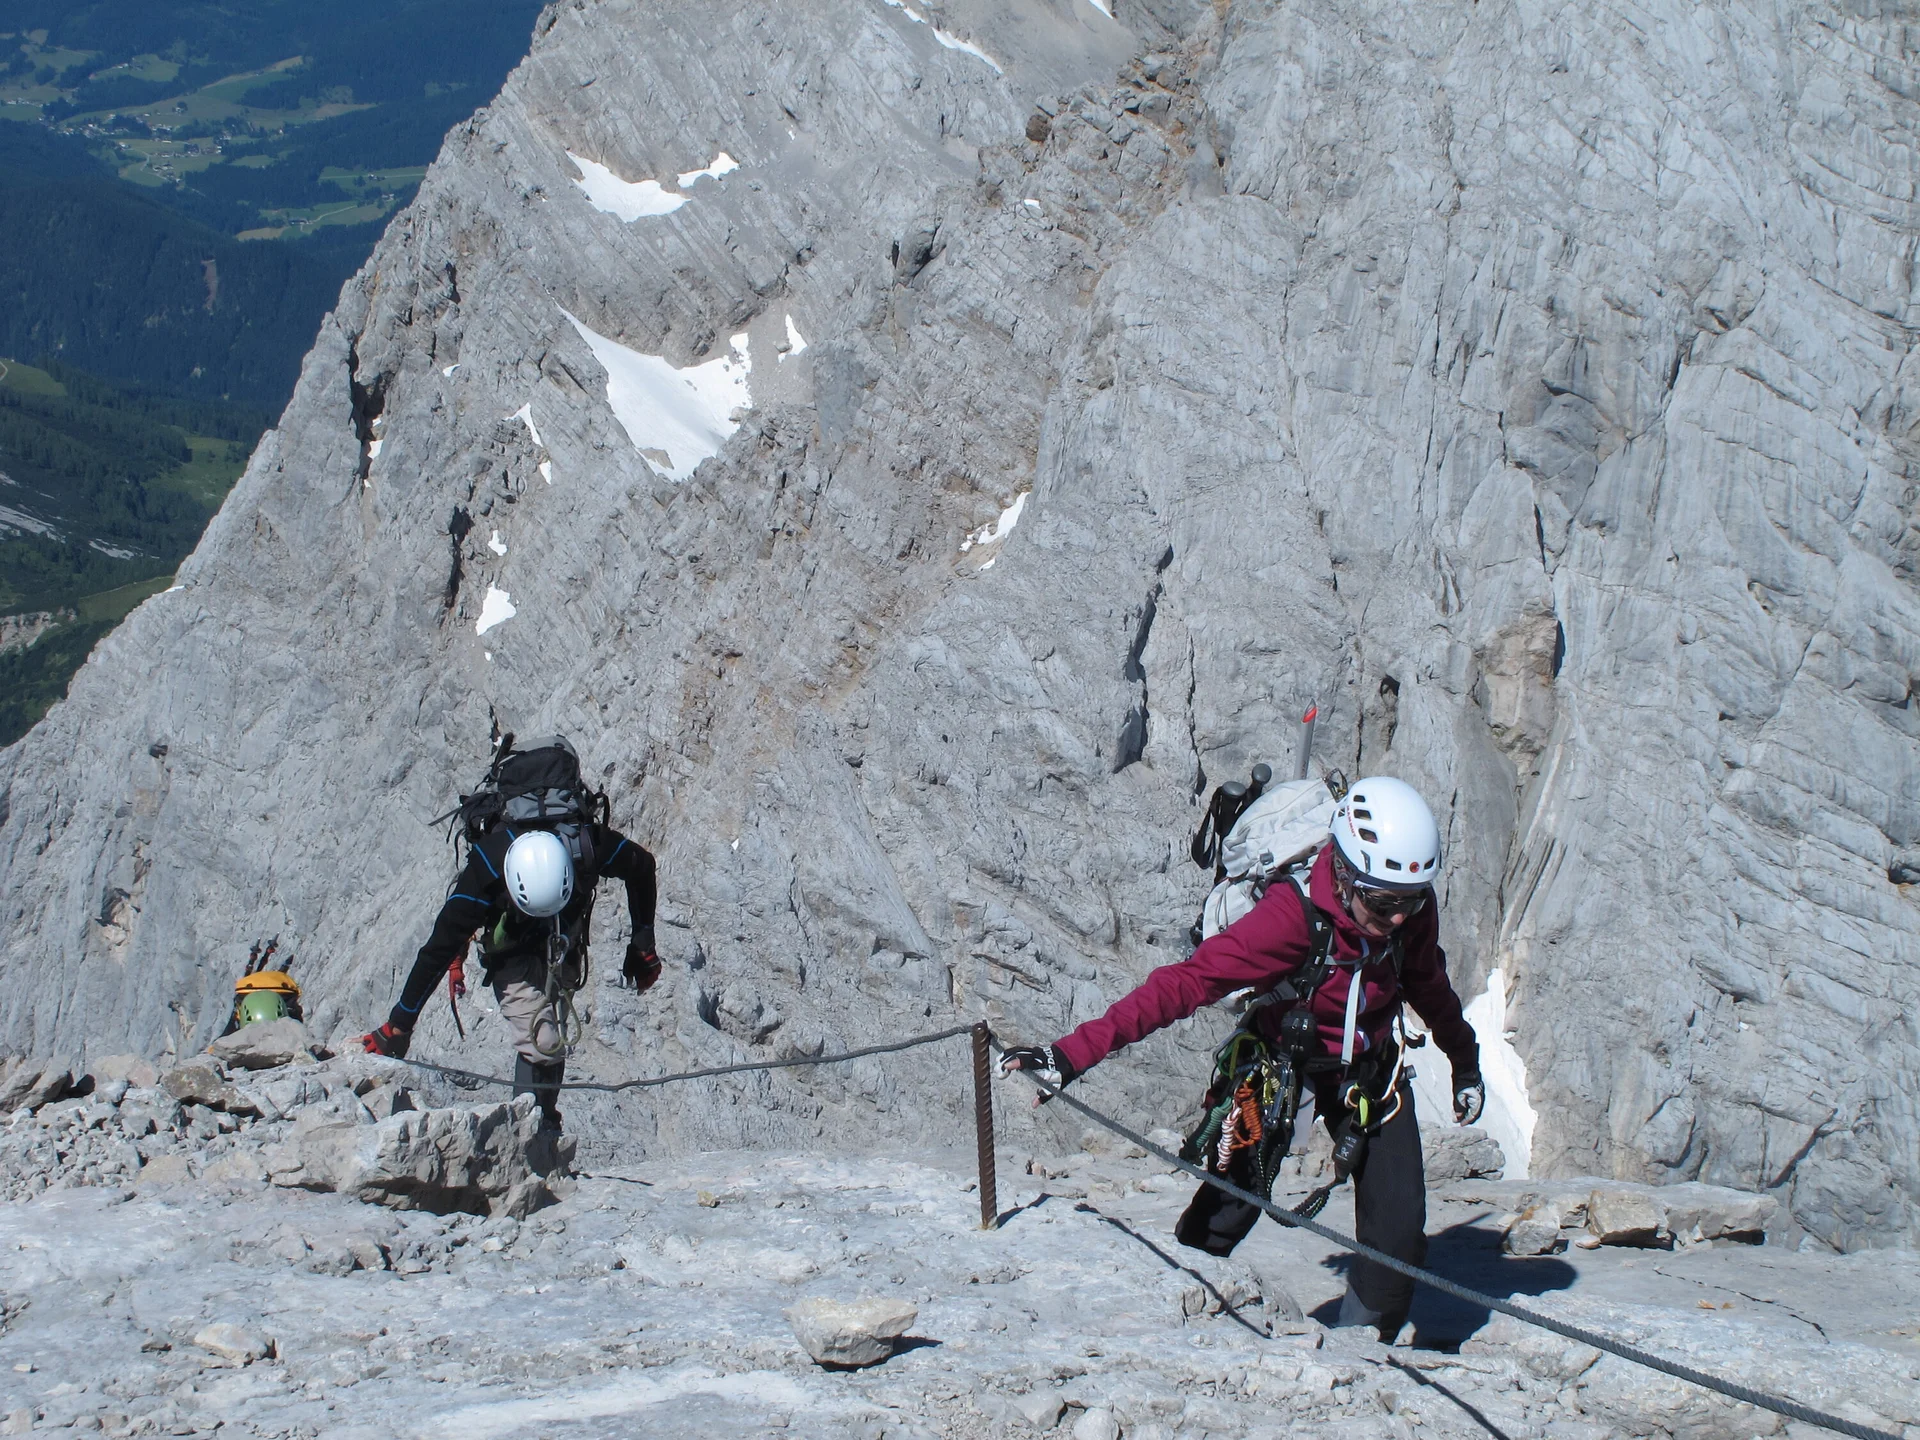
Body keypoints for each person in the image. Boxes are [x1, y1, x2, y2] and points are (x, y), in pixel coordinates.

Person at [1002, 775, 1484, 1341]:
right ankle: (1182, 1309)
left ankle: (1365, 1347)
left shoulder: (1404, 910)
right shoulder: (1289, 918)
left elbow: (1429, 985)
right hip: (1276, 1064)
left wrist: (1465, 1061)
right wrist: (1068, 1055)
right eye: (1385, 904)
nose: (1401, 918)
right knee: (1233, 1198)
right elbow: (1183, 985)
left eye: (1411, 901)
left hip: (1369, 1073)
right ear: (1348, 873)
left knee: (1399, 1232)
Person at [362, 737, 659, 1133]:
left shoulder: (587, 843)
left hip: (564, 938)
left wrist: (643, 945)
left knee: (549, 1026)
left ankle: (541, 1122)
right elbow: (441, 944)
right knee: (543, 1039)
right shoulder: (490, 861)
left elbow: (642, 867)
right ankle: (532, 1133)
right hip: (513, 945)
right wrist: (399, 1025)